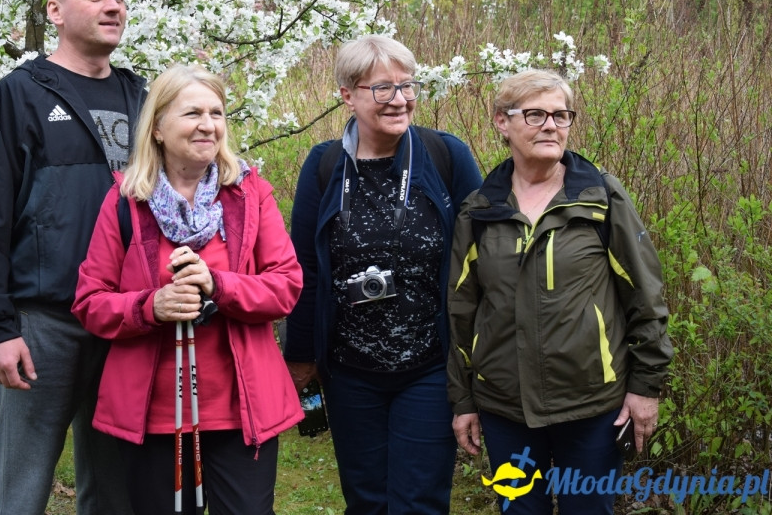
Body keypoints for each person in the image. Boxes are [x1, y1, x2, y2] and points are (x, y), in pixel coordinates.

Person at [0, 0, 146, 515]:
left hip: (124, 322)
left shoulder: (141, 97)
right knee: (22, 490)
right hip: (44, 324)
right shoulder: (19, 95)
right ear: (55, 11)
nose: (113, 6)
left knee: (117, 493)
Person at [72, 64, 304, 515]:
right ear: (158, 128)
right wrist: (151, 306)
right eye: (192, 113)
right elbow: (90, 302)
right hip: (154, 414)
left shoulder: (250, 194)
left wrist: (219, 284)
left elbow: (286, 286)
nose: (208, 125)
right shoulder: (125, 201)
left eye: (216, 113)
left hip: (240, 410)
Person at [446, 69, 674, 514]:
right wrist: (464, 400)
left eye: (561, 115)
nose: (551, 125)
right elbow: (461, 311)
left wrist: (645, 387)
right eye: (535, 114)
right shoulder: (480, 210)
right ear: (502, 122)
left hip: (592, 406)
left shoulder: (600, 198)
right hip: (505, 407)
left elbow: (645, 297)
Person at [283, 35, 483, 514]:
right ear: (347, 96)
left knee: (419, 501)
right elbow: (306, 267)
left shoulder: (445, 156)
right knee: (366, 500)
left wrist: (479, 359)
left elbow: (482, 259)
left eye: (407, 85)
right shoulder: (323, 166)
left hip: (430, 365)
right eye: (382, 88)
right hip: (349, 371)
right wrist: (301, 357)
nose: (400, 99)